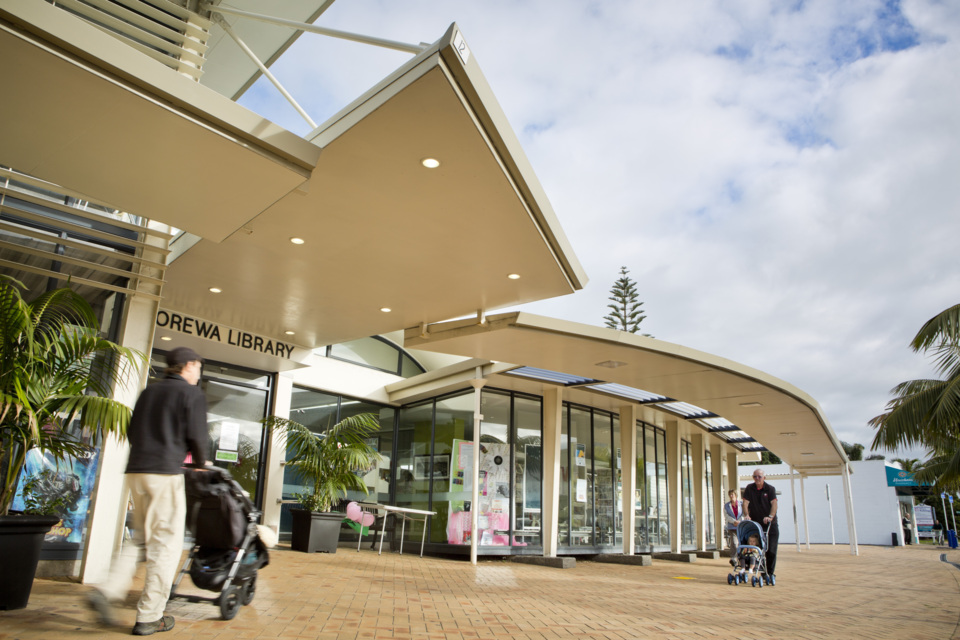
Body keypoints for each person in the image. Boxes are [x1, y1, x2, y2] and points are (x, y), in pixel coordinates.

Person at [88, 347, 208, 636]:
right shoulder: (191, 394)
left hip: (137, 472)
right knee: (165, 547)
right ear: (188, 366)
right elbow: (198, 434)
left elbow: (132, 431)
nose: (199, 373)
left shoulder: (149, 392)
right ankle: (149, 616)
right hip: (165, 474)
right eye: (198, 367)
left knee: (141, 539)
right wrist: (201, 463)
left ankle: (106, 591)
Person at [742, 468, 779, 582]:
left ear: (764, 477)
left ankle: (770, 573)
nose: (757, 479)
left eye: (759, 476)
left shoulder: (770, 489)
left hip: (770, 525)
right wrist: (746, 515)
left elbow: (774, 504)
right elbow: (745, 503)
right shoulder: (749, 488)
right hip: (756, 525)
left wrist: (770, 516)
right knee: (758, 550)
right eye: (755, 476)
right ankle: (761, 571)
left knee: (771, 551)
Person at [723, 489, 745, 564]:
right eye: (730, 495)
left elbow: (744, 514)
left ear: (736, 495)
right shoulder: (726, 505)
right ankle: (733, 558)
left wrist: (739, 521)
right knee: (734, 543)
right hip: (732, 527)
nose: (731, 496)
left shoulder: (741, 504)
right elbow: (726, 516)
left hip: (740, 527)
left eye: (732, 494)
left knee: (741, 543)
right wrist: (734, 521)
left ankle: (741, 558)